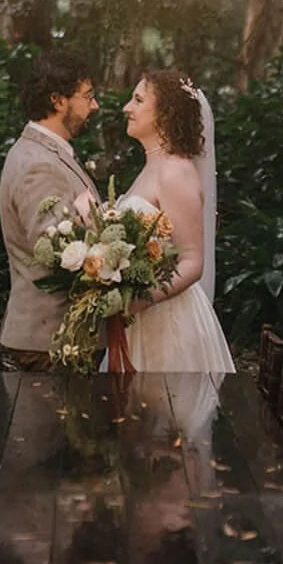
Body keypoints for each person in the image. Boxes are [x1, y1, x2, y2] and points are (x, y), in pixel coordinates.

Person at [78, 70, 235, 374]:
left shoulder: (176, 172)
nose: (127, 108)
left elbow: (192, 262)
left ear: (165, 114)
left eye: (137, 100)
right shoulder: (152, 168)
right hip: (140, 323)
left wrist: (138, 300)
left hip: (170, 326)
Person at [0, 48, 101, 371]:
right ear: (58, 100)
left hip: (62, 339)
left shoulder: (49, 155)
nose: (94, 105)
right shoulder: (38, 165)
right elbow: (55, 253)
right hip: (52, 342)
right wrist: (116, 262)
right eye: (87, 96)